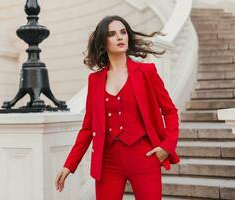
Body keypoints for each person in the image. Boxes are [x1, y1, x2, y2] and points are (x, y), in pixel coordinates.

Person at [55, 15, 180, 200]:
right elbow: (88, 128)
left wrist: (167, 146)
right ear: (103, 41)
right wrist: (69, 165)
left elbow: (170, 111)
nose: (120, 37)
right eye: (112, 34)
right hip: (108, 163)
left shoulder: (146, 72)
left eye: (122, 32)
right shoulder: (95, 81)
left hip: (144, 157)